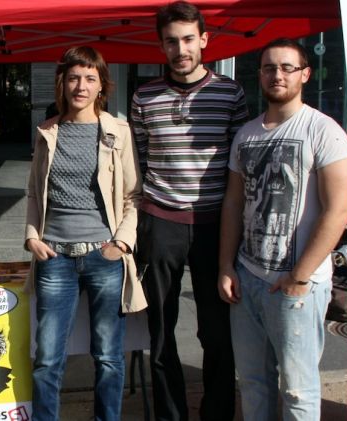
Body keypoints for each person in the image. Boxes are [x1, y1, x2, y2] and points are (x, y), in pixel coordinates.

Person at [218, 38, 347, 421]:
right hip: (248, 278)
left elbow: (339, 210)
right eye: (268, 67)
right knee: (253, 382)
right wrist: (226, 266)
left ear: (305, 74)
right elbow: (233, 203)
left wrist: (300, 275)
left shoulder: (324, 131)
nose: (277, 74)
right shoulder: (246, 134)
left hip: (297, 287)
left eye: (286, 67)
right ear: (259, 74)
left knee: (298, 391)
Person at [129, 2, 249, 419]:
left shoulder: (231, 93)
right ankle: (171, 414)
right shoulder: (143, 97)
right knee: (161, 332)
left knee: (217, 334)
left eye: (187, 39)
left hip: (217, 225)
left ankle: (216, 412)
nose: (180, 48)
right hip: (161, 223)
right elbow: (140, 163)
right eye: (170, 41)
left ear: (203, 39)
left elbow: (240, 167)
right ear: (161, 45)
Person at [25, 45, 141, 421]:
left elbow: (132, 196)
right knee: (46, 359)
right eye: (74, 77)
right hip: (54, 256)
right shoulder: (47, 132)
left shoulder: (118, 131)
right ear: (63, 82)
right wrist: (31, 236)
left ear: (101, 85)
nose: (81, 86)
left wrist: (121, 242)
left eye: (90, 78)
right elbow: (34, 191)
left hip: (103, 256)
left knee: (107, 356)